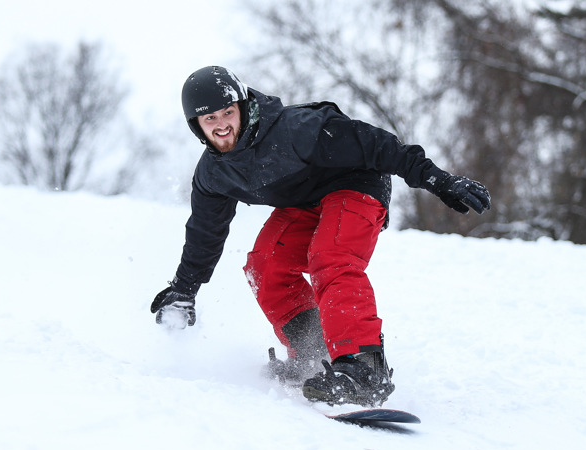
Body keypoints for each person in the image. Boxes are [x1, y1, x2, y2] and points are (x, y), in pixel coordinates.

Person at [150, 65, 491, 407]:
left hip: (356, 186)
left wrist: (440, 180)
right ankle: (313, 353)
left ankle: (362, 367)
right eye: (210, 119)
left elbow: (379, 146)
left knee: (330, 257)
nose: (221, 124)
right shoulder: (214, 173)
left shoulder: (297, 129)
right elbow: (205, 230)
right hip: (304, 203)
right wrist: (184, 288)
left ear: (243, 106)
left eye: (228, 112)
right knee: (266, 265)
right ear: (196, 125)